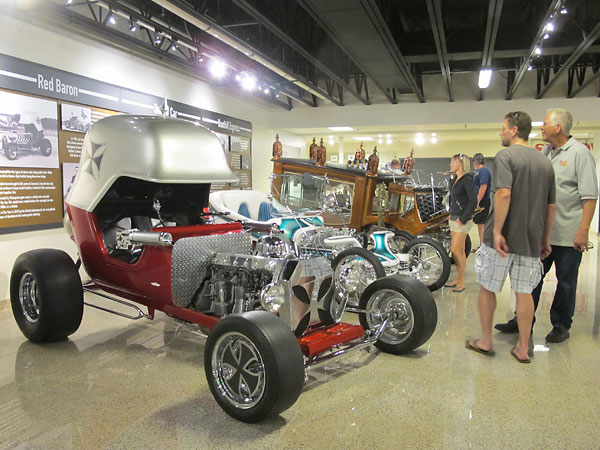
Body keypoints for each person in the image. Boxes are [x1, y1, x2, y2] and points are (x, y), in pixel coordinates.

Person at [494, 109, 598, 343]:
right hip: (542, 232)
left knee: (566, 281)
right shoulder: (546, 153)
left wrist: (583, 230)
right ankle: (523, 322)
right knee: (531, 279)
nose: (541, 127)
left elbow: (590, 196)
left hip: (568, 234)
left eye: (546, 124)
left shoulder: (579, 154)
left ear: (558, 127)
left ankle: (561, 324)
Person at [466, 111, 555, 363]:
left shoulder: (505, 156)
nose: (500, 132)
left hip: (501, 240)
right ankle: (523, 348)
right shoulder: (545, 163)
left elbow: (503, 194)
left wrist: (496, 231)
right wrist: (544, 239)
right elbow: (551, 208)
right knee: (524, 292)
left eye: (503, 128)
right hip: (530, 239)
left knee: (488, 288)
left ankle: (485, 341)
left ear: (514, 130)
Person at [444, 153, 476, 292]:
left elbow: (473, 200)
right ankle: (459, 278)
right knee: (459, 251)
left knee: (456, 250)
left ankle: (461, 281)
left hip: (461, 220)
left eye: (453, 162)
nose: (451, 164)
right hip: (454, 218)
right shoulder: (456, 179)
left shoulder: (467, 180)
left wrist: (463, 218)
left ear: (461, 164)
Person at [472, 153, 491, 252]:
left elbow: (483, 187)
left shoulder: (483, 171)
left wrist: (477, 201)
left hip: (483, 201)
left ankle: (483, 247)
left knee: (481, 224)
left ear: (476, 161)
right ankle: (481, 245)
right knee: (479, 224)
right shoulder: (478, 171)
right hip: (480, 200)